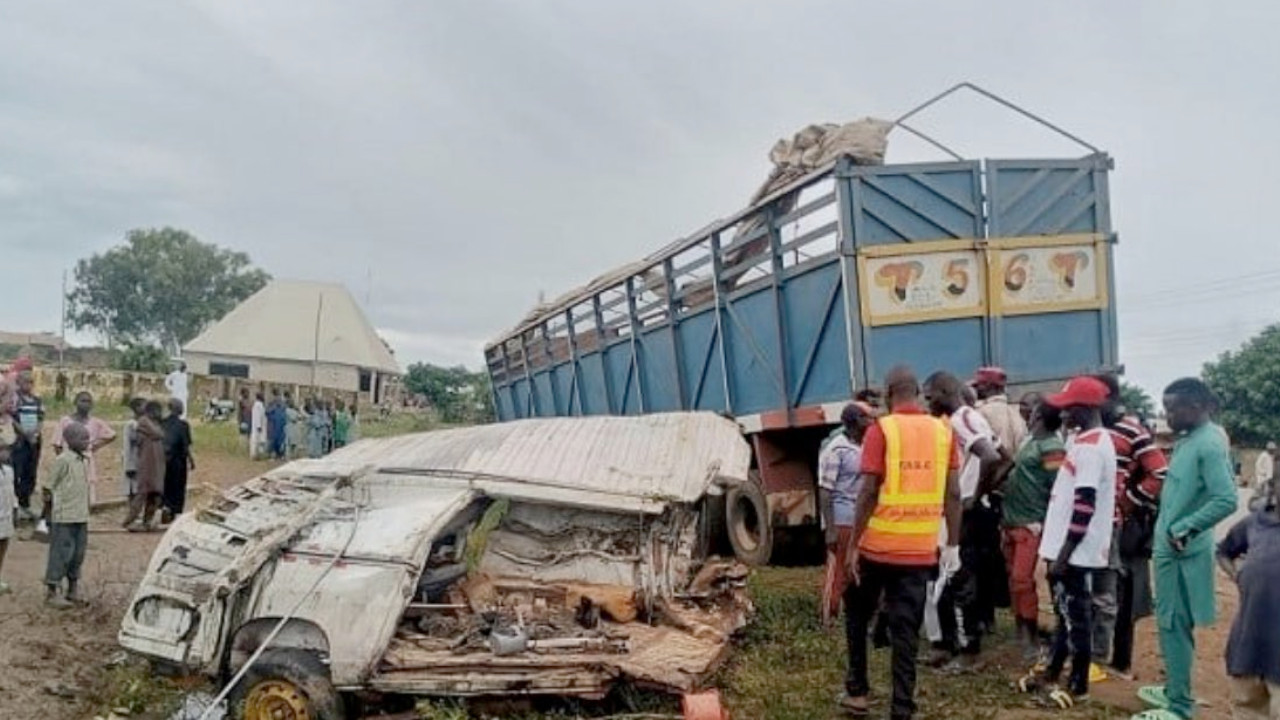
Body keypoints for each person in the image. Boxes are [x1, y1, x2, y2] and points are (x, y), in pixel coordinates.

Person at [840, 366, 962, 719]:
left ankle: (858, 692)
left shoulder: (882, 429)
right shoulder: (943, 432)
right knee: (906, 629)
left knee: (857, 614)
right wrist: (952, 545)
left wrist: (852, 548)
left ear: (890, 391)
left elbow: (867, 492)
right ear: (917, 393)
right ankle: (902, 708)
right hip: (919, 551)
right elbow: (953, 492)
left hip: (877, 548)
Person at [1135, 378, 1238, 720]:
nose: (1168, 416)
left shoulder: (1208, 443)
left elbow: (1225, 499)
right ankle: (1173, 689)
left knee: (1172, 621)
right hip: (1171, 545)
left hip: (1181, 548)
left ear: (1195, 407)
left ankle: (1179, 706)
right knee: (1171, 621)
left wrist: (1184, 527)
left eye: (1172, 409)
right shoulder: (1193, 438)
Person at [1020, 376, 1117, 708]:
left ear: (1083, 409)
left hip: (1075, 551)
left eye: (1066, 409)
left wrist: (1065, 552)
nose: (1061, 415)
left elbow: (1084, 505)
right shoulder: (1087, 440)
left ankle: (1077, 686)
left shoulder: (1091, 448)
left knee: (1077, 619)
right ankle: (1053, 671)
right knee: (1064, 614)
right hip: (1069, 548)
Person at [924, 371, 1010, 671]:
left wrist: (974, 495)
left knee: (957, 578)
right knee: (952, 578)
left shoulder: (961, 420)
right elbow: (1006, 458)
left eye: (929, 395)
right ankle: (949, 645)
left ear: (947, 390)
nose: (927, 402)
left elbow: (989, 457)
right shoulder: (973, 418)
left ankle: (968, 651)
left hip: (964, 515)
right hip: (968, 512)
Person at [1093, 374, 1168, 682]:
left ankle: (1121, 661)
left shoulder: (1132, 430)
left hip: (1126, 529)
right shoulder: (1095, 430)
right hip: (1097, 525)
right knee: (1101, 591)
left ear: (1108, 396)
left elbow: (1159, 472)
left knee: (1125, 594)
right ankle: (1098, 654)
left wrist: (1127, 502)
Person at [1001, 398, 1066, 659]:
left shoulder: (1052, 448)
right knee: (1014, 580)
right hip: (1013, 521)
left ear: (1039, 416)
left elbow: (1057, 486)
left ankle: (1030, 637)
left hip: (1032, 523)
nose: (1026, 414)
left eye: (1032, 412)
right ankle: (1021, 630)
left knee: (1023, 579)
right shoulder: (1031, 441)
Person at [1216, 475, 1280, 720]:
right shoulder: (1255, 524)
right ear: (1273, 488)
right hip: (1249, 644)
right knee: (1247, 706)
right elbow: (1224, 551)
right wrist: (1238, 575)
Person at [819, 401, 875, 625]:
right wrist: (830, 528)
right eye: (866, 418)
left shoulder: (866, 446)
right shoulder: (836, 449)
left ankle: (859, 615)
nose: (871, 422)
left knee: (860, 568)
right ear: (854, 421)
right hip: (842, 519)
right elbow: (825, 490)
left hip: (862, 517)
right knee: (839, 570)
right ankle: (830, 616)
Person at [47, 391, 116, 533]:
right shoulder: (65, 421)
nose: (85, 404)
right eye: (82, 401)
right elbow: (57, 443)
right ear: (75, 402)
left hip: (86, 463)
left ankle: (82, 524)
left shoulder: (95, 423)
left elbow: (111, 434)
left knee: (86, 494)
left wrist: (95, 446)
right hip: (68, 461)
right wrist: (64, 461)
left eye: (89, 401)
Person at [41, 421, 91, 609]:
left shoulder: (83, 461)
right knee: (61, 553)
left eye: (88, 437)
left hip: (81, 516)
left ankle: (73, 589)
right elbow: (49, 487)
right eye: (82, 437)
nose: (87, 441)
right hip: (64, 517)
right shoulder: (63, 460)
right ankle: (52, 590)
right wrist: (48, 513)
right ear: (69, 440)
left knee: (78, 554)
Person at [124, 401, 165, 531]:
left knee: (155, 494)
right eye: (159, 411)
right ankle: (129, 520)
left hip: (156, 464)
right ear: (152, 411)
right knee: (142, 493)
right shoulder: (144, 421)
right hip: (146, 465)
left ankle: (147, 521)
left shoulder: (155, 423)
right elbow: (158, 434)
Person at [11, 370, 43, 521]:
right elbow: (12, 419)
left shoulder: (37, 400)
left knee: (31, 471)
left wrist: (35, 434)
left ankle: (26, 503)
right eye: (25, 382)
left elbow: (41, 418)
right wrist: (25, 434)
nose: (28, 385)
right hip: (19, 441)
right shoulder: (14, 399)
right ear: (18, 382)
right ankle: (15, 505)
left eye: (31, 382)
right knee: (17, 470)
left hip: (34, 441)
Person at [973, 366, 1028, 453]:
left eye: (979, 385)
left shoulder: (980, 412)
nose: (977, 390)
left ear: (990, 386)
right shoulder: (1016, 411)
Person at [162, 398, 194, 522]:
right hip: (177, 461)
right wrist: (191, 461)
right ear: (179, 409)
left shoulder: (162, 422)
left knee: (165, 484)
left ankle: (165, 506)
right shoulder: (183, 425)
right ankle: (173, 510)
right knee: (178, 486)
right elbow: (186, 446)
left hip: (163, 459)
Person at [121, 397, 146, 509]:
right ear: (136, 408)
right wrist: (129, 466)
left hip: (143, 461)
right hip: (133, 461)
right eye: (143, 405)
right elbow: (127, 446)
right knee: (133, 489)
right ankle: (133, 512)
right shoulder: (131, 425)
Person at [1252, 442, 1275, 508]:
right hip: (1262, 477)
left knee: (1270, 492)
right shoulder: (1263, 455)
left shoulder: (1272, 456)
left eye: (1273, 449)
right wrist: (1263, 472)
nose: (1272, 450)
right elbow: (1257, 465)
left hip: (1269, 477)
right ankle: (1257, 504)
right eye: (1271, 449)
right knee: (1262, 492)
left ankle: (1268, 504)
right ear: (1268, 449)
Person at [266, 390, 287, 459]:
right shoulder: (271, 404)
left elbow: (285, 415)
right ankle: (272, 454)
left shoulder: (282, 405)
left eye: (278, 396)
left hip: (280, 425)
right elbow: (267, 412)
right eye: (276, 396)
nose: (277, 398)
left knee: (281, 440)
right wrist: (273, 407)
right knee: (273, 440)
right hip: (273, 425)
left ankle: (280, 454)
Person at [249, 392, 267, 459]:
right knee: (255, 440)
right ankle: (254, 455)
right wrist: (259, 426)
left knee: (260, 441)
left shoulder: (260, 405)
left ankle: (258, 454)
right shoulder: (257, 405)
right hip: (257, 426)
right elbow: (257, 416)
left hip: (260, 426)